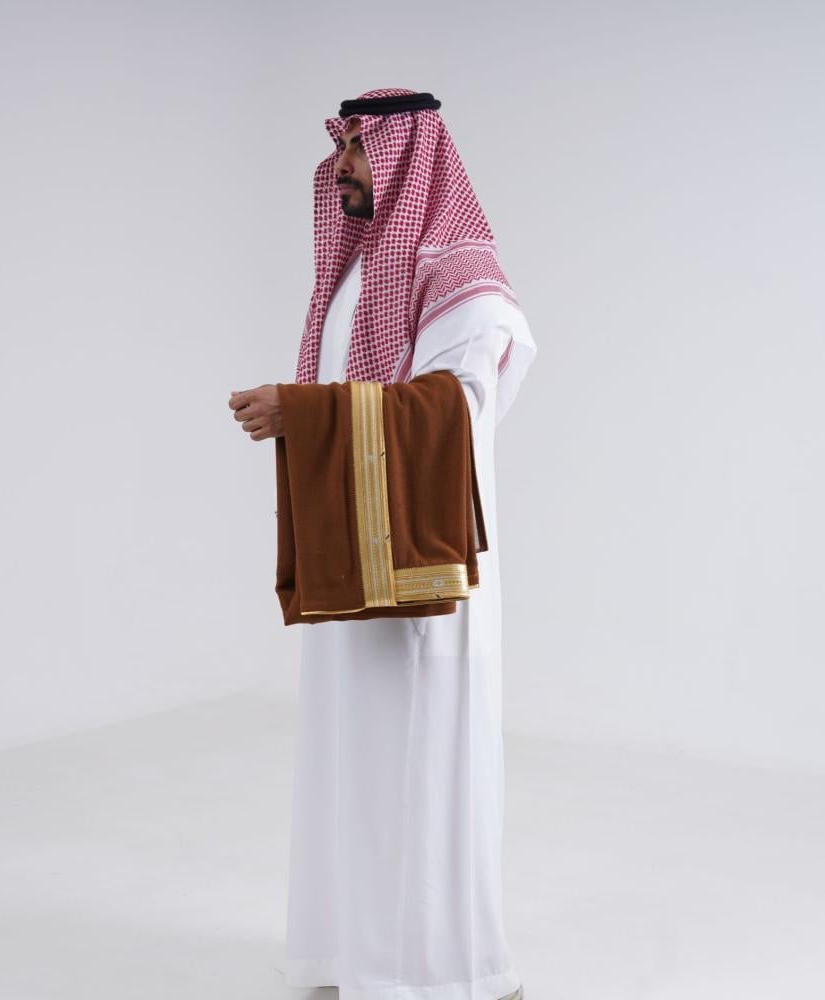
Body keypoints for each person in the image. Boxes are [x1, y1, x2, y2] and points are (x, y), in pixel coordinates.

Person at [228, 87, 536, 1000]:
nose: (345, 167)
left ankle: (442, 973)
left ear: (409, 153)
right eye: (343, 148)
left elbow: (458, 413)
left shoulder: (464, 279)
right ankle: (354, 960)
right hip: (357, 561)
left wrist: (307, 411)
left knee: (424, 762)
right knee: (354, 762)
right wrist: (308, 413)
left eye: (360, 148)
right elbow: (365, 394)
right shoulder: (360, 271)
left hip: (427, 572)